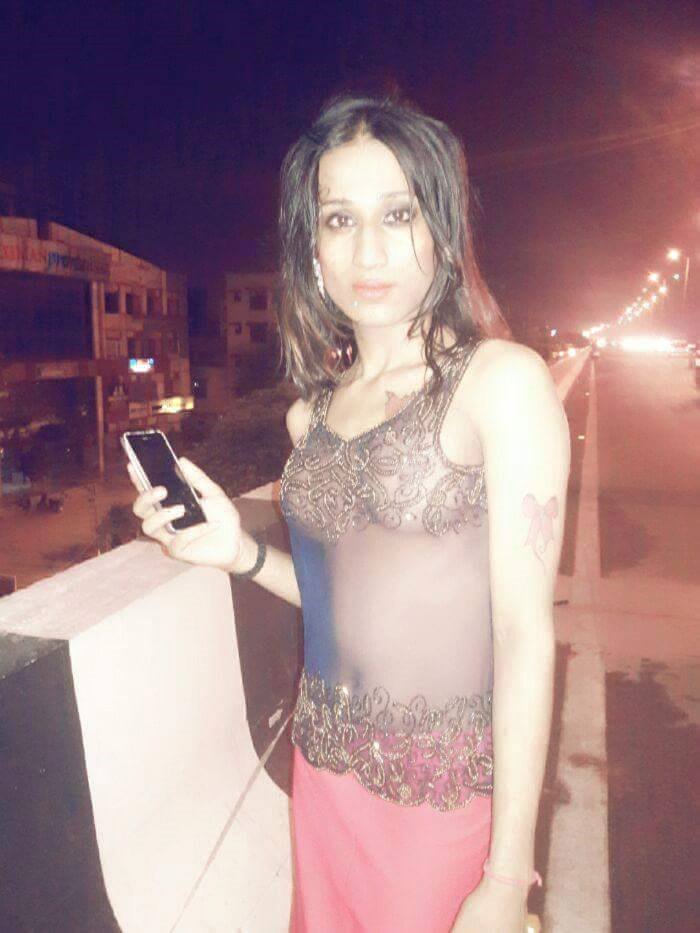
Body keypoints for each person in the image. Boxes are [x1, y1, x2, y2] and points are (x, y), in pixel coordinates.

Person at [129, 95, 570, 932]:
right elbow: (349, 604)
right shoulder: (314, 416)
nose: (369, 250)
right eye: (340, 218)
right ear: (313, 247)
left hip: (439, 806)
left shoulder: (500, 384)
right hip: (323, 780)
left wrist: (508, 877)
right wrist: (237, 552)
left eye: (398, 213)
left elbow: (523, 635)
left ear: (442, 228)